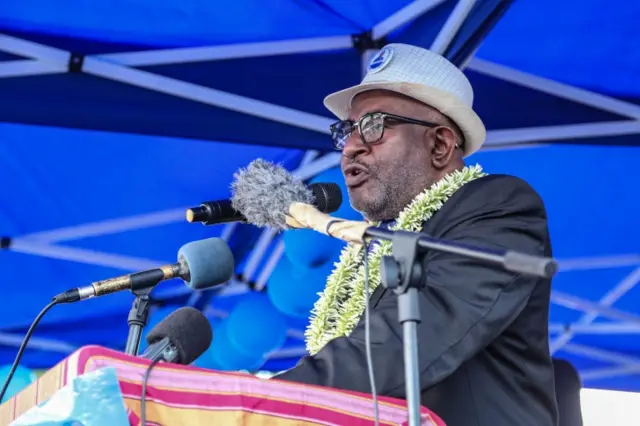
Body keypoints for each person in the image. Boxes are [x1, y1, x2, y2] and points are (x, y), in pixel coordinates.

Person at [275, 43, 559, 426]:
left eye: (374, 126)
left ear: (440, 144)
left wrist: (255, 404)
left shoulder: (496, 205)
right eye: (347, 130)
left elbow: (400, 342)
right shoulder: (378, 245)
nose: (351, 148)